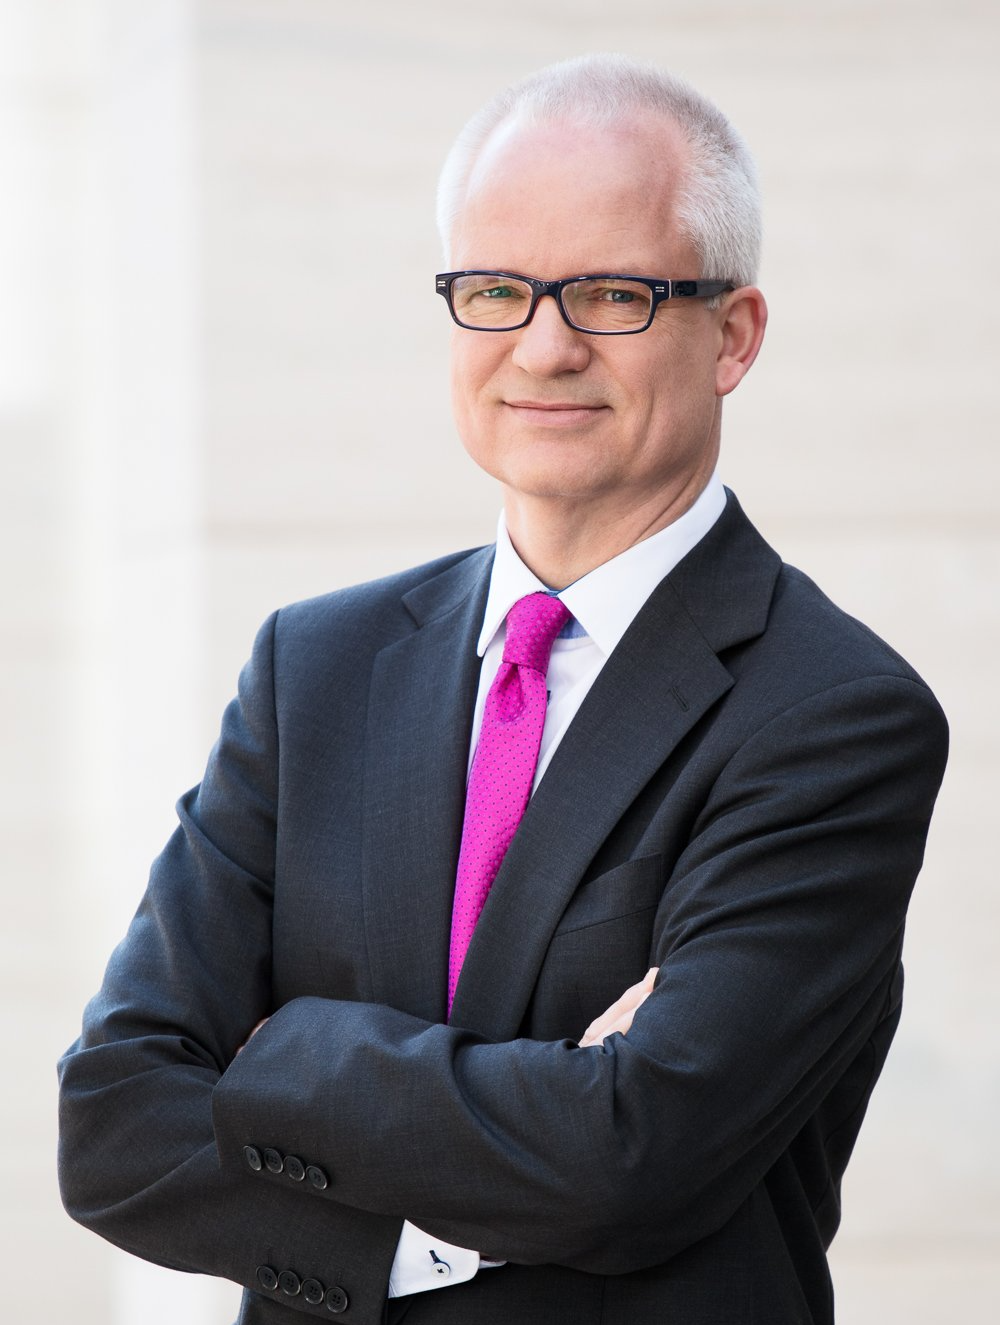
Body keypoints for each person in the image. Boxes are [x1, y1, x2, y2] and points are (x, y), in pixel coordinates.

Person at [58, 53, 948, 1324]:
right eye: (494, 291)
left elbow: (633, 1154)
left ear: (733, 335)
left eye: (612, 293)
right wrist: (461, 1196)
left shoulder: (832, 713)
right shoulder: (315, 669)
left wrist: (290, 1052)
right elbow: (112, 1121)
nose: (543, 345)